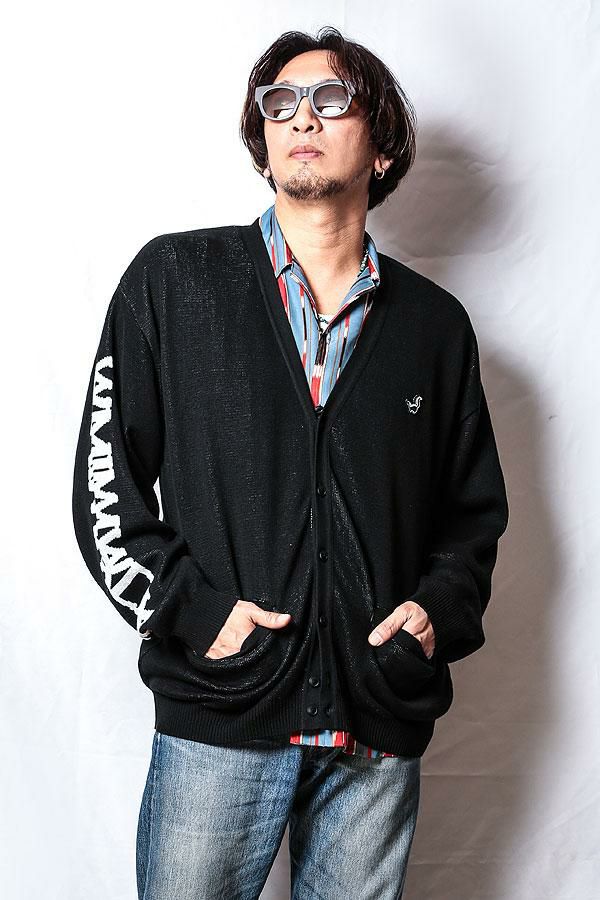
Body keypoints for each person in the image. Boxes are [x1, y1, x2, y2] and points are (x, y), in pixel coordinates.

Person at [72, 25, 509, 900]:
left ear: (381, 147)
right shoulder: (175, 282)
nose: (302, 117)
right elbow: (105, 483)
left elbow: (471, 520)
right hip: (221, 714)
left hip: (376, 730)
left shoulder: (434, 328)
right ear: (263, 139)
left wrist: (432, 615)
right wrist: (194, 613)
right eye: (281, 102)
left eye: (331, 99)